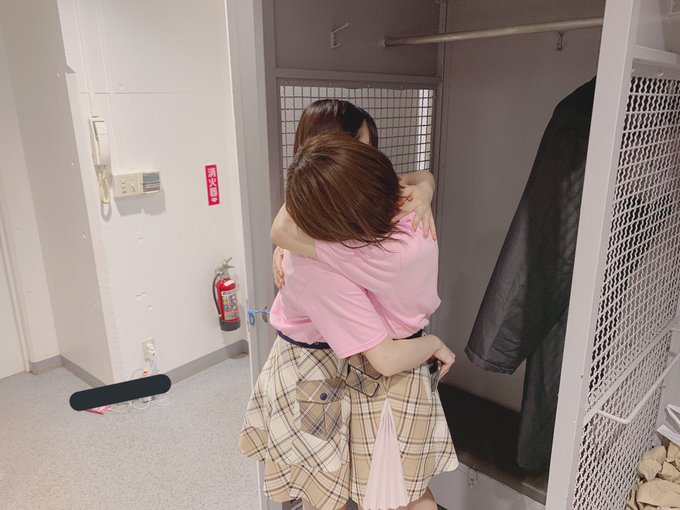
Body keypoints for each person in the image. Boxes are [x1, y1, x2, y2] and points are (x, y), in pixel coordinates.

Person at [244, 133, 458, 510]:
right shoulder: (412, 216)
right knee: (409, 492)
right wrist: (424, 187)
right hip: (398, 366)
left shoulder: (343, 257)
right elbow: (423, 176)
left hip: (363, 372)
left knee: (339, 494)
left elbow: (281, 231)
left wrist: (285, 246)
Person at [273, 99, 437, 290]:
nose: (370, 156)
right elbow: (279, 230)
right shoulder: (309, 212)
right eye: (362, 146)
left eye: (371, 147)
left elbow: (421, 176)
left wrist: (424, 190)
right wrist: (287, 247)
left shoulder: (371, 189)